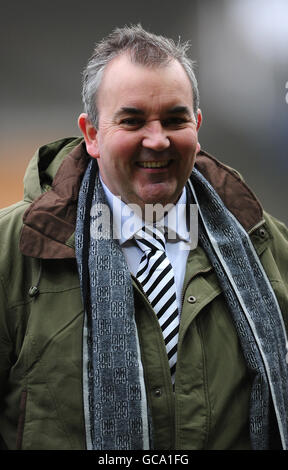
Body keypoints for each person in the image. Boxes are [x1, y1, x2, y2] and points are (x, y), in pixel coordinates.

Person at [0, 24, 288, 451]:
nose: (158, 140)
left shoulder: (266, 245)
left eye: (175, 119)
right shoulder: (13, 248)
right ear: (92, 134)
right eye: (132, 121)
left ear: (197, 124)